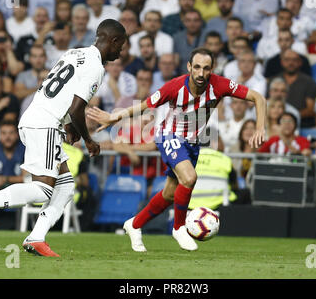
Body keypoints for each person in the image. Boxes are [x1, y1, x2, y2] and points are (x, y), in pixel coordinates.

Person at [0, 19, 127, 258]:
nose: (121, 51)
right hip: (45, 124)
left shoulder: (74, 53)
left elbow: (61, 93)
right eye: (121, 45)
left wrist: (68, 125)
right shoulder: (96, 68)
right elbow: (77, 107)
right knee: (42, 190)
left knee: (66, 186)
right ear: (113, 40)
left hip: (40, 118)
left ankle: (36, 237)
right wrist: (88, 140)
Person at [88, 47, 266, 252]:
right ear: (189, 67)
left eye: (206, 68)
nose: (201, 73)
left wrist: (260, 127)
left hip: (192, 143)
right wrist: (114, 116)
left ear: (212, 69)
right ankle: (179, 227)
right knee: (189, 178)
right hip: (168, 136)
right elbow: (144, 105)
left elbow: (258, 98)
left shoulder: (220, 85)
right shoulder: (174, 87)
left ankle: (135, 224)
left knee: (170, 194)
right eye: (197, 67)